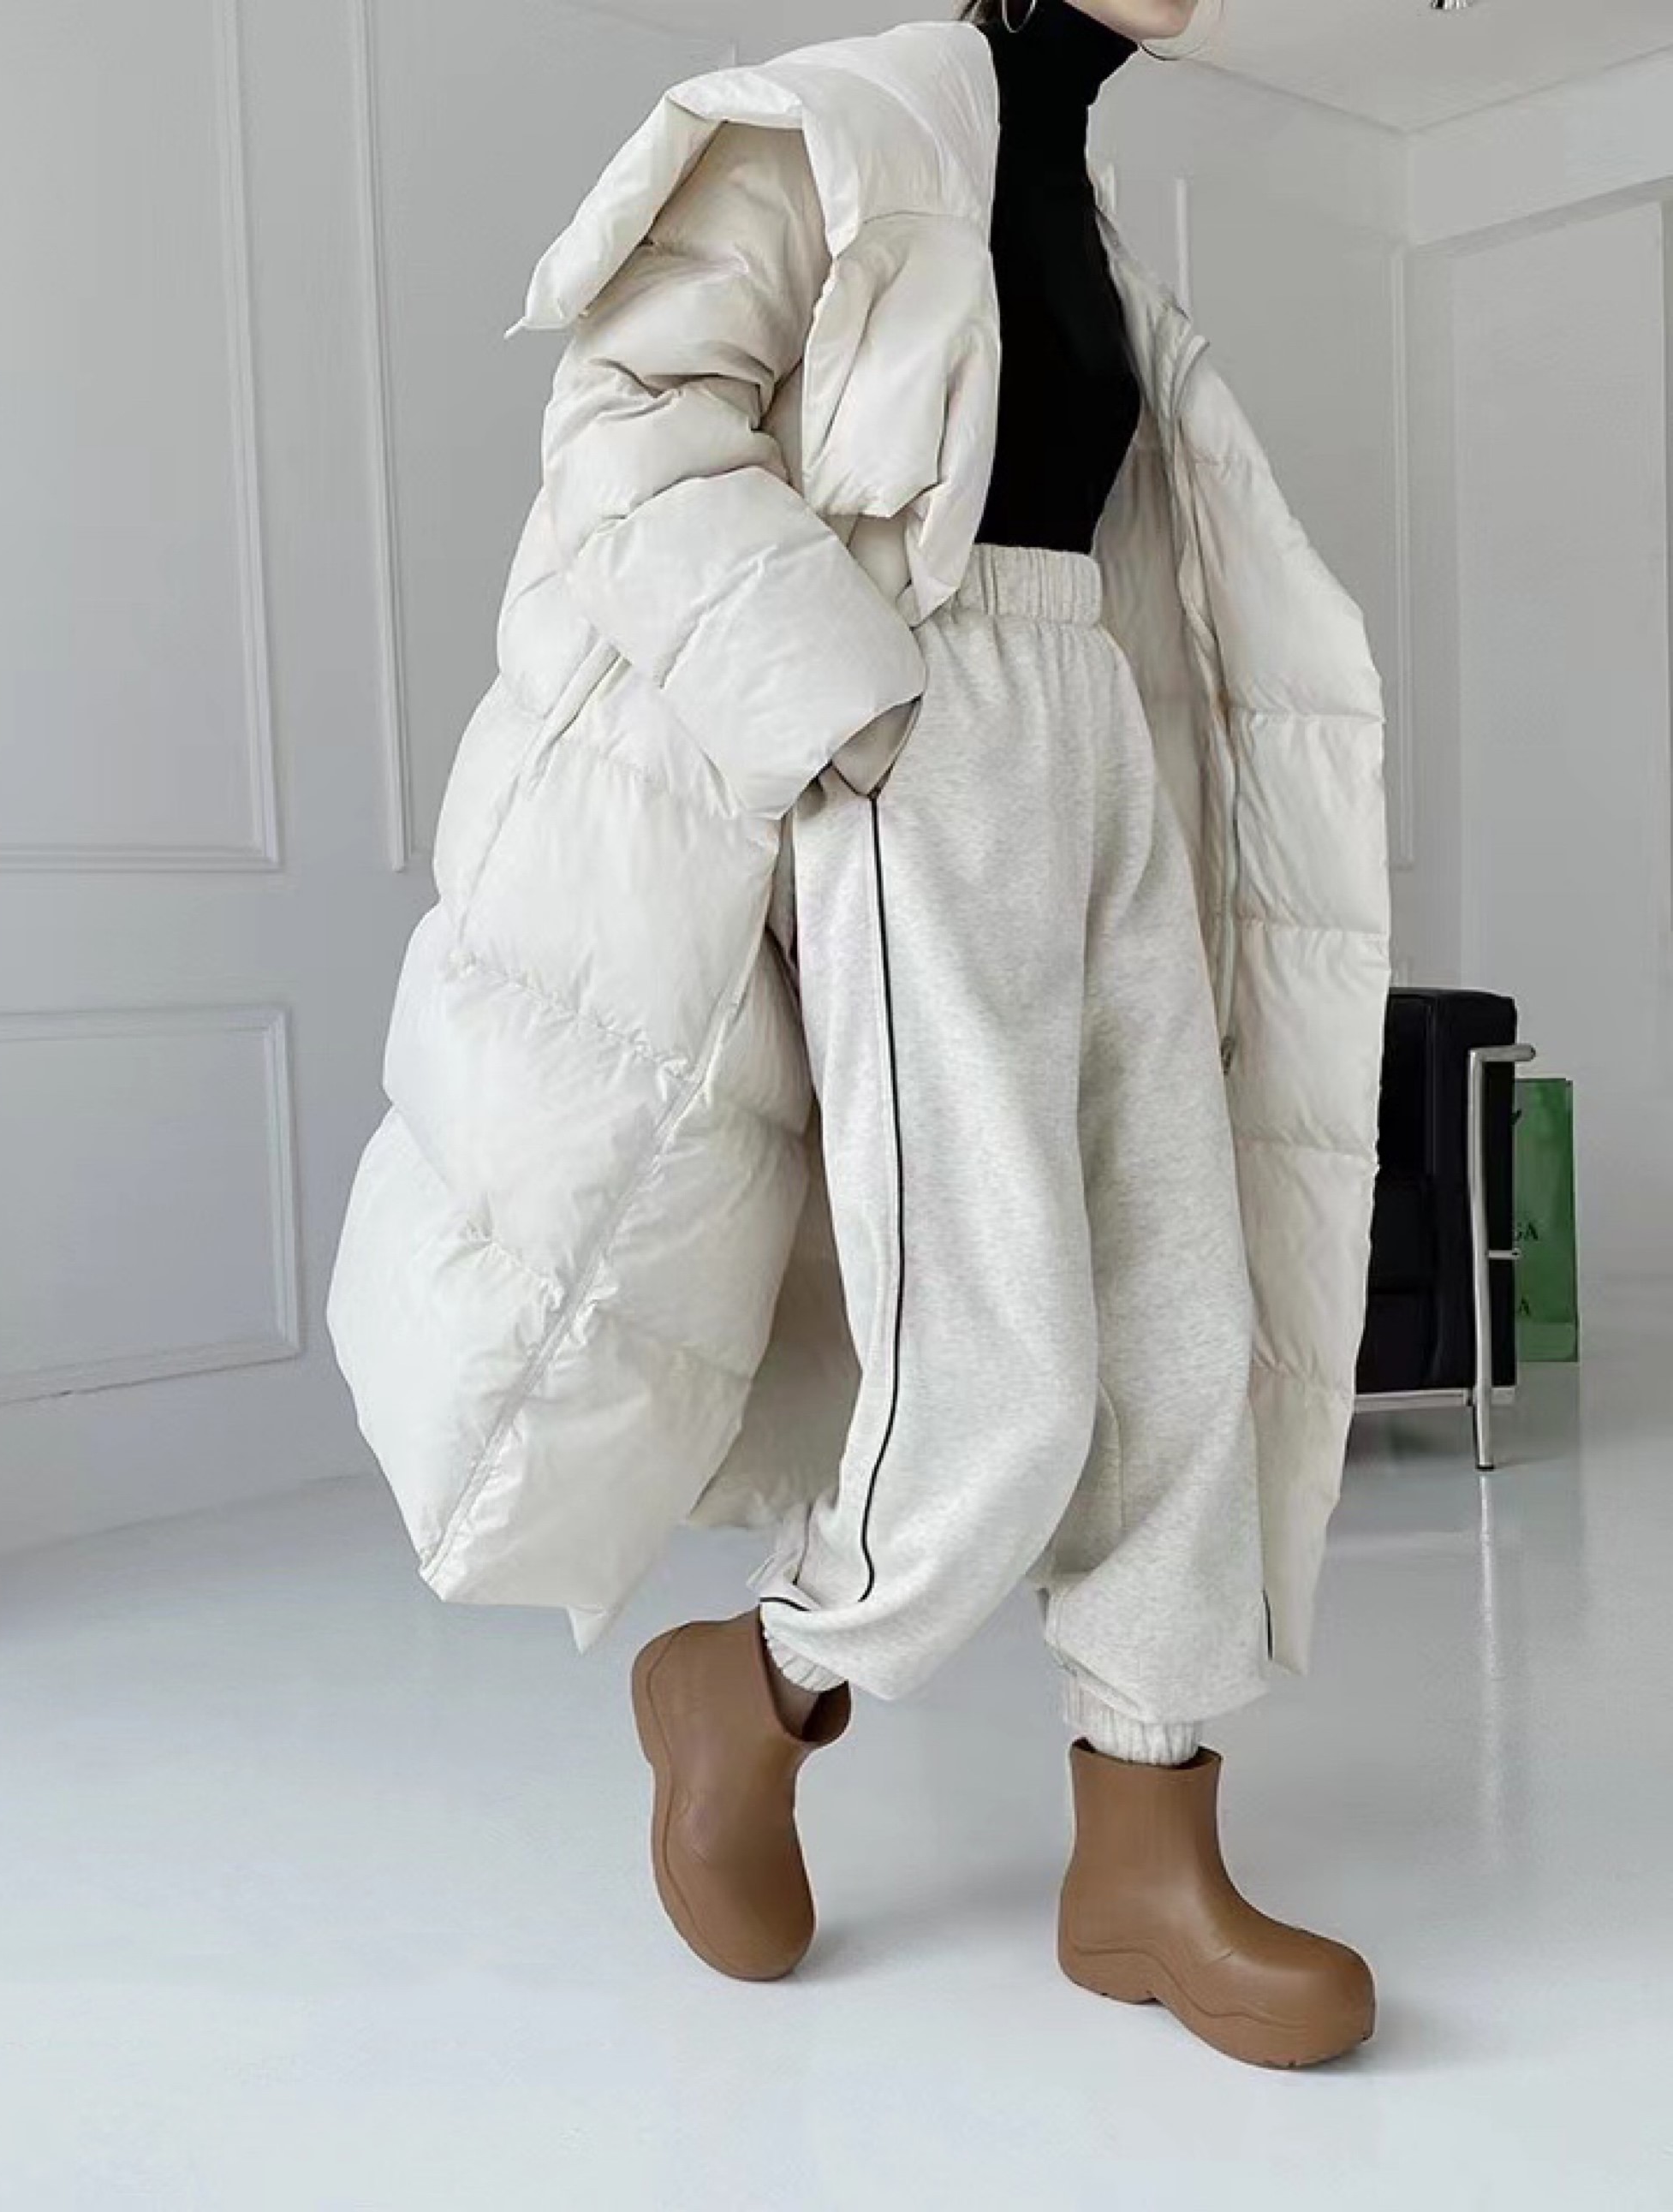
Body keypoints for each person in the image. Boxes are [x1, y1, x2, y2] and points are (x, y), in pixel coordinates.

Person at [328, 0, 1393, 2071]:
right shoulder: (830, 125)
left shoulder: (1074, 202)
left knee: (1187, 1304)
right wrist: (846, 708)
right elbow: (627, 413)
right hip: (923, 726)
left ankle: (1146, 1844)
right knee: (1003, 1355)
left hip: (1094, 733)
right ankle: (753, 1681)